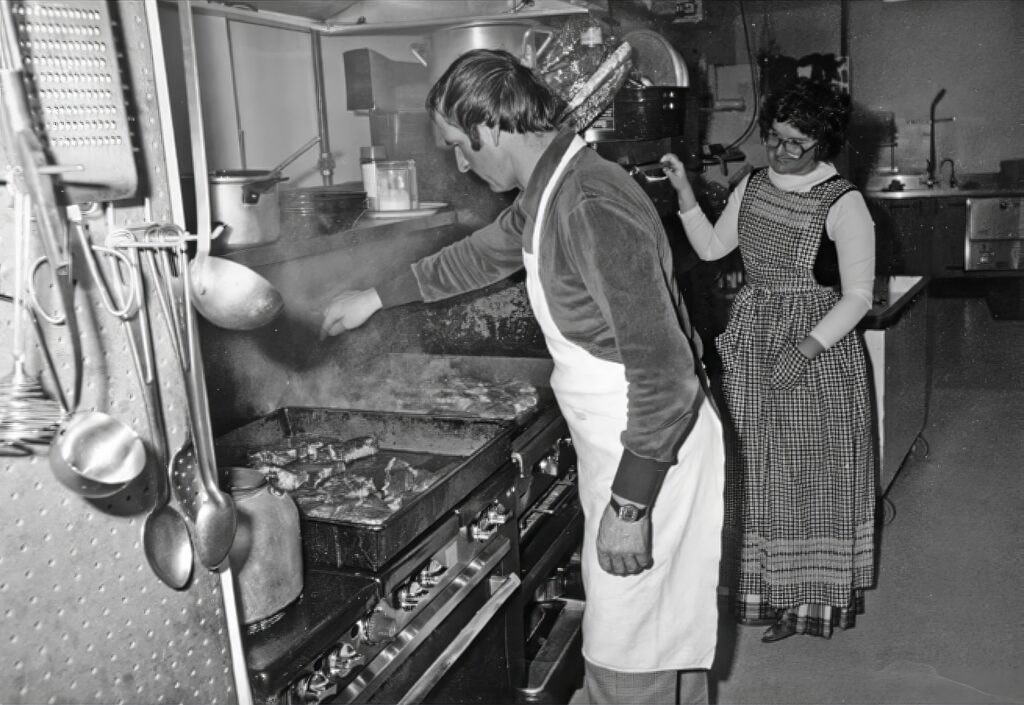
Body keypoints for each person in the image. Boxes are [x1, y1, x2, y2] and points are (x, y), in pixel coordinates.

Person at [322, 50, 725, 704]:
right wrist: (375, 296)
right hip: (628, 449)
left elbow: (668, 373)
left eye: (459, 146)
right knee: (660, 643)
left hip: (653, 457)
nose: (459, 164)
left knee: (627, 660)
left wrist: (630, 505)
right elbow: (480, 256)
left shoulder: (589, 202)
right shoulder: (551, 189)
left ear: (492, 127)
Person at [660, 77, 876, 643]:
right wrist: (684, 188)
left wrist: (804, 349)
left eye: (795, 144)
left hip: (816, 350)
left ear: (822, 143)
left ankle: (810, 602)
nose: (780, 152)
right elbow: (710, 247)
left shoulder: (843, 201)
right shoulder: (753, 186)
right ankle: (764, 592)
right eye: (774, 139)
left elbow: (858, 296)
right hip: (754, 337)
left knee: (810, 475)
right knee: (756, 471)